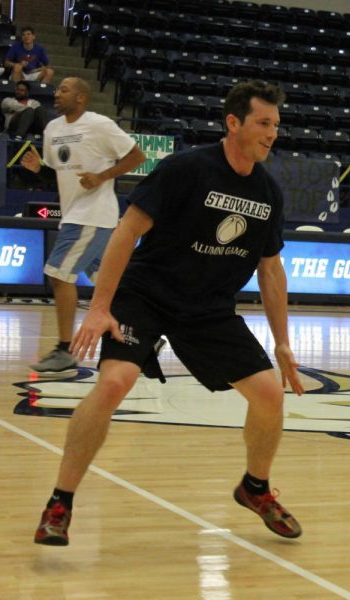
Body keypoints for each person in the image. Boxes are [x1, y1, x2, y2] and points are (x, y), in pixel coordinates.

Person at [32, 80, 305, 547]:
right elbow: (126, 232)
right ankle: (60, 501)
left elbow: (271, 269)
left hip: (207, 309)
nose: (271, 134)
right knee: (114, 382)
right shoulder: (186, 169)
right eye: (263, 123)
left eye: (276, 126)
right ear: (233, 123)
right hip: (147, 296)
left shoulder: (267, 192)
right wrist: (100, 307)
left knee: (268, 396)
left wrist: (281, 341)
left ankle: (254, 487)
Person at [20, 77, 146, 376]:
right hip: (75, 213)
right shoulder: (52, 129)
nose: (56, 93)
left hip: (93, 215)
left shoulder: (99, 124)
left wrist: (102, 177)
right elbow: (58, 175)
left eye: (64, 89)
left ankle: (65, 351)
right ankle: (142, 338)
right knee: (111, 286)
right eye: (57, 89)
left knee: (58, 274)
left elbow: (137, 156)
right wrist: (39, 169)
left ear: (81, 98)